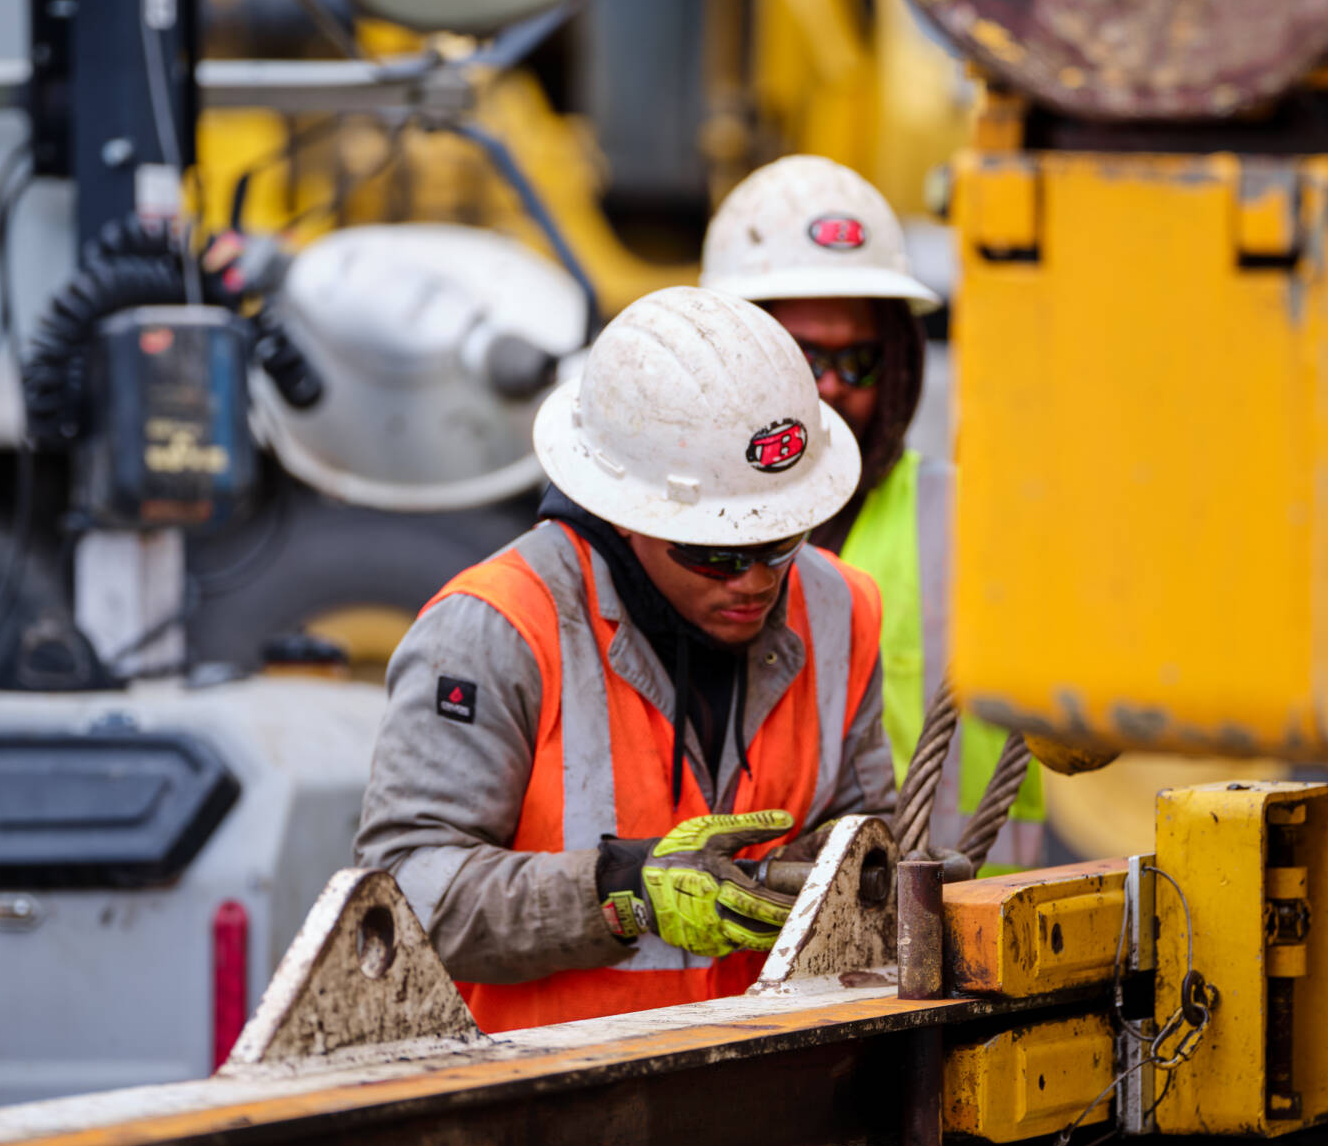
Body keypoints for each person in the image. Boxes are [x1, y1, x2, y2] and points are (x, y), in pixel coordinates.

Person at [355, 285, 891, 1032]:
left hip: (775, 1094)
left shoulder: (839, 608)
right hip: (551, 1105)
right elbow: (405, 895)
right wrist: (621, 889)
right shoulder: (497, 628)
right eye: (718, 552)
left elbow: (870, 830)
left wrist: (808, 870)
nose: (757, 580)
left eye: (779, 542)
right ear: (624, 511)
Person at [703, 154, 1044, 866]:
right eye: (802, 359)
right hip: (750, 936)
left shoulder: (974, 523)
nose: (829, 390)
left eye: (858, 363)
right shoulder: (668, 536)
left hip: (970, 933)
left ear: (900, 366)